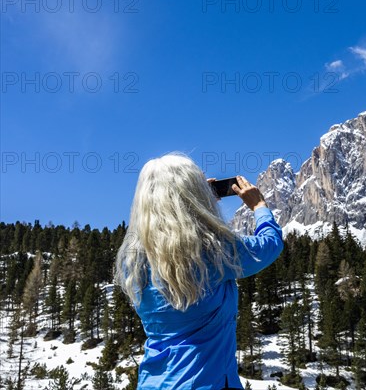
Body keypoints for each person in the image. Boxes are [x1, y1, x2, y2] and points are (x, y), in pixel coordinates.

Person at [114, 153, 284, 389]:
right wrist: (259, 206)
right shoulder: (210, 251)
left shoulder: (133, 260)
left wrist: (197, 201)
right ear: (189, 196)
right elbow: (269, 245)